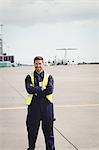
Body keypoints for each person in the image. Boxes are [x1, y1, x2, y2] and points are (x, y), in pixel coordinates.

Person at [25, 56, 55, 150]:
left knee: (49, 133)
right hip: (34, 108)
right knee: (32, 132)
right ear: (34, 64)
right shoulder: (29, 77)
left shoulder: (49, 76)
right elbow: (29, 89)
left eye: (40, 63)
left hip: (47, 108)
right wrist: (42, 89)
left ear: (43, 64)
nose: (38, 66)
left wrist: (36, 91)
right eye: (36, 63)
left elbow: (50, 90)